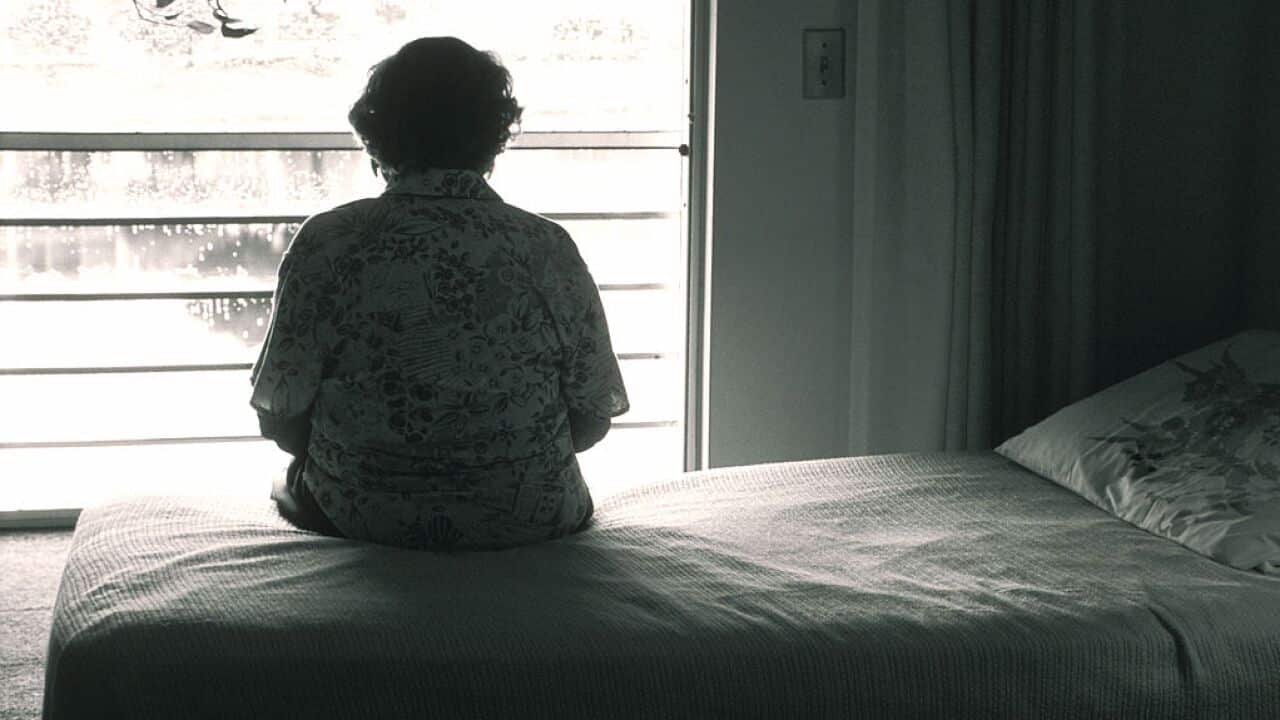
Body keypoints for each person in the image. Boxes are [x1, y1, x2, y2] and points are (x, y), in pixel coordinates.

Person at [250, 36, 629, 551]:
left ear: (377, 132)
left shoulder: (330, 240)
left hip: (367, 518)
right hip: (533, 518)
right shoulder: (546, 245)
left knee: (285, 482)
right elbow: (593, 418)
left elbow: (278, 414)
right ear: (494, 133)